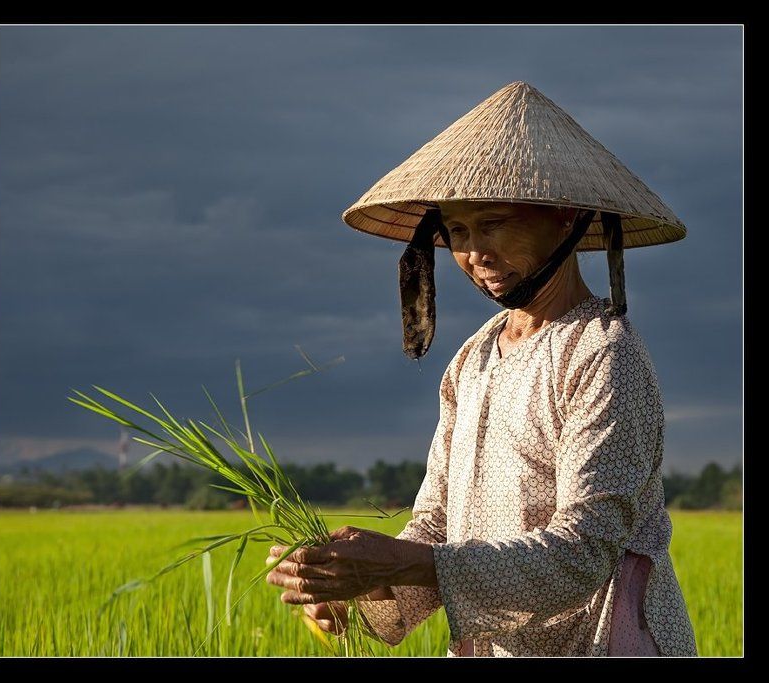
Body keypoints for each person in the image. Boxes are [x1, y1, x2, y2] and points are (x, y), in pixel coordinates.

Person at [265, 81, 698, 657]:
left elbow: (585, 550)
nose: (475, 254)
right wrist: (355, 590)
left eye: (493, 224)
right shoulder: (472, 359)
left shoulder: (602, 353)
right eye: (459, 233)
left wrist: (402, 563)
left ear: (564, 218)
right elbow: (438, 525)